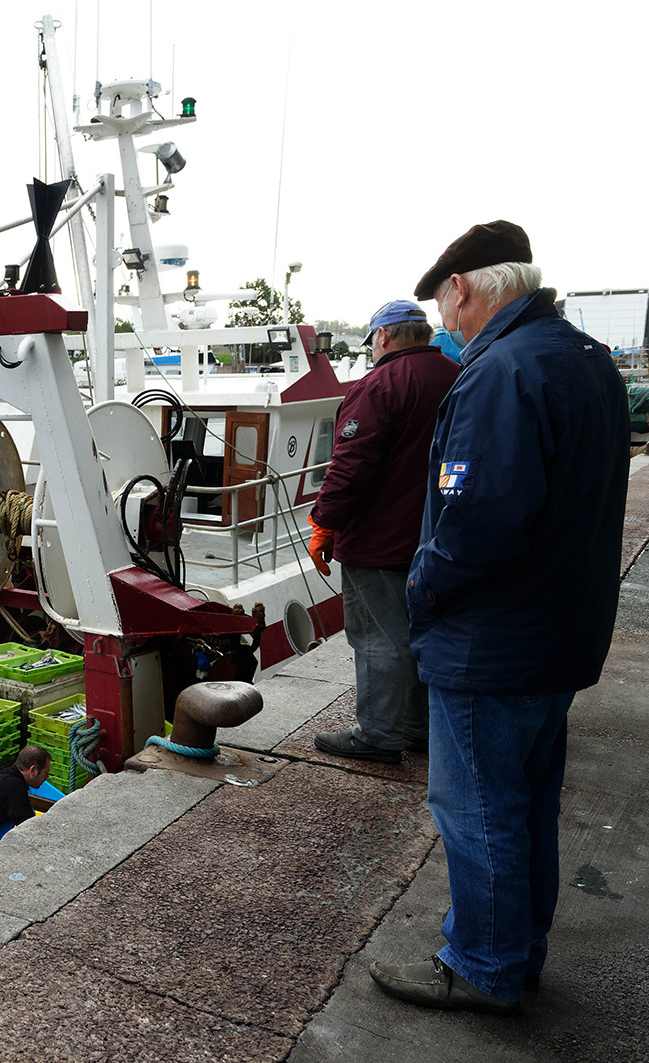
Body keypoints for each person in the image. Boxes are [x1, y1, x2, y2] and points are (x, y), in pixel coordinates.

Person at [367, 220, 628, 1014]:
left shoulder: (500, 371)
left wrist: (421, 585)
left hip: (494, 641)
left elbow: (476, 520)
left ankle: (483, 964)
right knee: (527, 803)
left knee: (476, 806)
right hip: (560, 631)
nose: (446, 323)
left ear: (463, 289)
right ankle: (517, 952)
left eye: (444, 307)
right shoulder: (585, 357)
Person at [308, 299, 459, 763]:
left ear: (383, 336)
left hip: (379, 541)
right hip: (437, 538)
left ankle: (377, 734)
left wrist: (324, 521)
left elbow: (350, 467)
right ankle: (418, 728)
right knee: (422, 634)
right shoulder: (458, 376)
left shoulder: (379, 385)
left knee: (377, 637)